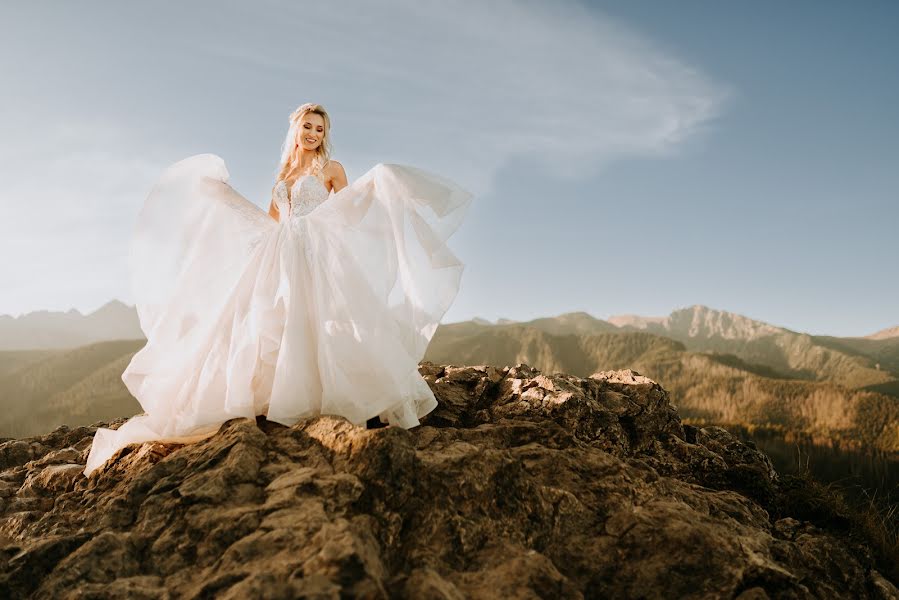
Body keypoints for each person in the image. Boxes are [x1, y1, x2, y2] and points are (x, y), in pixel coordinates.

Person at [83, 103, 472, 477]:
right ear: (295, 129)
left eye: (320, 129)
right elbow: (270, 223)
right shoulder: (282, 180)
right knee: (276, 323)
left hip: (317, 252)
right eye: (308, 126)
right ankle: (280, 396)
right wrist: (225, 200)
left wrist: (377, 185)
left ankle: (338, 396)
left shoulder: (331, 170)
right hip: (282, 253)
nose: (314, 134)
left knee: (325, 320)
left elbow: (348, 210)